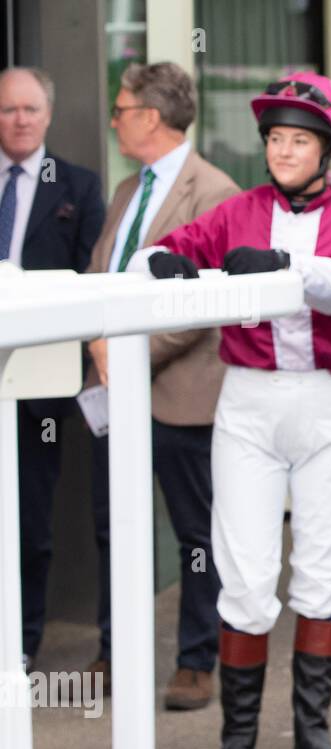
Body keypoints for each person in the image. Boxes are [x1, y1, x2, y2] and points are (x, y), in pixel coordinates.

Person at [129, 72, 331, 749]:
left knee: (325, 569)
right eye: (275, 138)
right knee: (243, 573)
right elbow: (143, 260)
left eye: (298, 139)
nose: (282, 150)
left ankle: (311, 735)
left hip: (329, 403)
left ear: (327, 148)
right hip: (247, 402)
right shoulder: (238, 210)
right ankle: (237, 741)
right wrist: (173, 266)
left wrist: (285, 266)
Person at [83, 61, 241, 708]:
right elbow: (100, 270)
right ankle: (114, 650)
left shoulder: (216, 192)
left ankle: (197, 661)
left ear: (150, 115)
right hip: (109, 388)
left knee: (195, 533)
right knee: (111, 525)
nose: (115, 119)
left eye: (121, 108)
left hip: (181, 392)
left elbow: (200, 307)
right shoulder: (127, 190)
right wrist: (98, 341)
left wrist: (124, 350)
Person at [1, 66, 106, 676]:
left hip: (38, 385)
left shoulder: (77, 186)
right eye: (9, 109)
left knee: (29, 521)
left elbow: (89, 283)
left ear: (47, 115)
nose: (19, 120)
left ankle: (22, 639)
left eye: (30, 109)